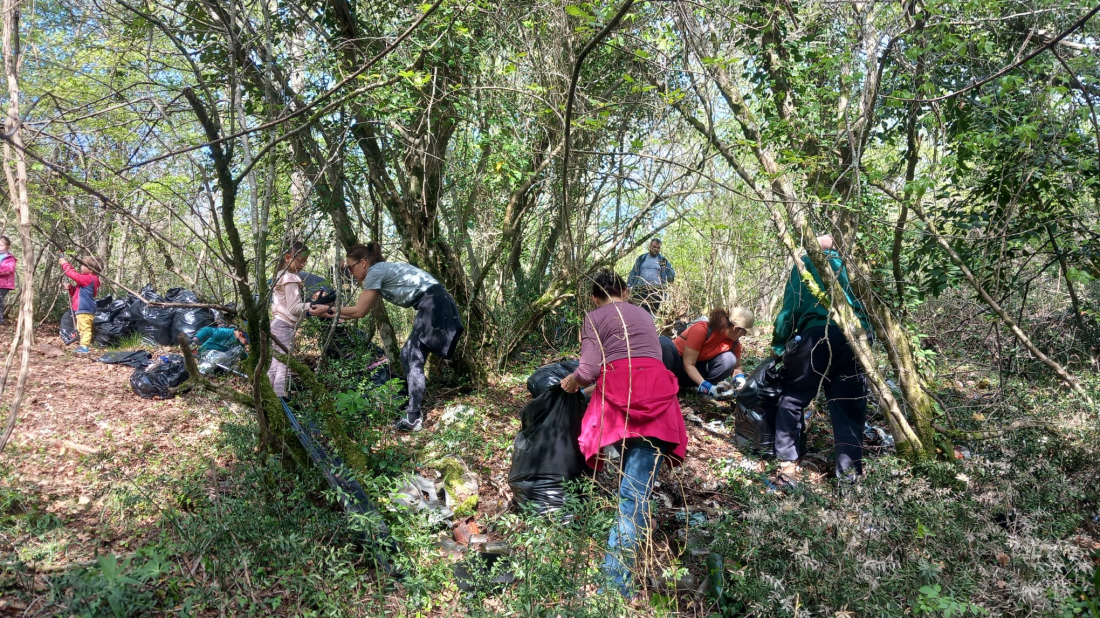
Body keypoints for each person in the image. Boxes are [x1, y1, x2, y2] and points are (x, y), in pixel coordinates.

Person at [559, 269, 688, 597]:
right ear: (626, 291)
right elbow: (647, 360)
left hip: (621, 404)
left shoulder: (595, 317)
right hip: (658, 404)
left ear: (594, 296)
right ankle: (629, 563)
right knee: (636, 495)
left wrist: (570, 384)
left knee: (631, 500)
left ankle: (614, 591)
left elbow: (588, 371)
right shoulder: (644, 315)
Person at [308, 242, 464, 432]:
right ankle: (412, 410)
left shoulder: (375, 272)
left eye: (350, 267)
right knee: (408, 354)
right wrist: (329, 312)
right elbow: (360, 313)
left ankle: (413, 416)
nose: (350, 272)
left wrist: (328, 309)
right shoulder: (379, 272)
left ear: (363, 263)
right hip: (434, 302)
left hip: (433, 303)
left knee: (412, 356)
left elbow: (359, 310)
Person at [770, 234, 871, 486]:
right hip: (852, 339)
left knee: (793, 398)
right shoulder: (851, 268)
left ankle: (787, 466)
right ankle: (849, 479)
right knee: (848, 408)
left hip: (815, 336)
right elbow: (865, 308)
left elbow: (790, 309)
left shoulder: (803, 265)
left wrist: (779, 344)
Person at [659, 307, 757, 395]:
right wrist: (704, 385)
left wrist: (739, 377)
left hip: (697, 373)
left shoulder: (734, 342)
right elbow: (688, 364)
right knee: (664, 343)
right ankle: (662, 386)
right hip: (679, 367)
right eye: (745, 332)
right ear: (736, 329)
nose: (744, 336)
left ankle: (707, 392)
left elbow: (737, 366)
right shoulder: (702, 329)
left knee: (729, 358)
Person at [268, 241, 310, 398]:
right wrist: (313, 305)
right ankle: (280, 400)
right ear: (288, 258)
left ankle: (267, 396)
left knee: (275, 364)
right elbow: (294, 308)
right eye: (300, 260)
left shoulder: (279, 275)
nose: (303, 265)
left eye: (305, 262)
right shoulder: (289, 277)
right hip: (284, 325)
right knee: (284, 364)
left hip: (277, 324)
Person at [60, 255, 101, 354]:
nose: (81, 267)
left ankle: (84, 347)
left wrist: (64, 264)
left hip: (85, 309)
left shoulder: (91, 278)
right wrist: (70, 288)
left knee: (85, 328)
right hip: (81, 309)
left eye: (83, 265)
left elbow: (74, 275)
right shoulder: (87, 280)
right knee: (81, 328)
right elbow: (77, 293)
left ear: (91, 270)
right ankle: (82, 344)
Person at [626, 237, 675, 315]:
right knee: (637, 312)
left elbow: (671, 274)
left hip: (656, 291)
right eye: (654, 247)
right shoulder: (642, 258)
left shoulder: (663, 260)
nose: (655, 249)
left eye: (658, 248)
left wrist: (667, 269)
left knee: (651, 314)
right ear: (650, 246)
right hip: (640, 289)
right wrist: (628, 286)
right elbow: (633, 272)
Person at [0, 237, 15, 325]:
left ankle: (0, 320)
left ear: (7, 246)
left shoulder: (9, 258)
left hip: (3, 284)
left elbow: (9, 270)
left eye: (1, 245)